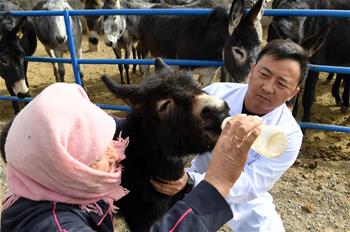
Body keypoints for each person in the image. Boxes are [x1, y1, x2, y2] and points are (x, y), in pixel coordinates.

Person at [0, 82, 262, 231]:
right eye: (98, 151)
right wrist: (216, 185)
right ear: (66, 167)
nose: (115, 152)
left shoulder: (52, 186)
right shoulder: (57, 227)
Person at [152, 39, 308, 232]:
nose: (267, 87)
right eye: (264, 74)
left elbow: (252, 183)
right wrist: (180, 177)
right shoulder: (216, 95)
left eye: (281, 83)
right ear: (252, 70)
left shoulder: (289, 135)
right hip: (194, 178)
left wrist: (193, 181)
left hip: (242, 196)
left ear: (294, 92)